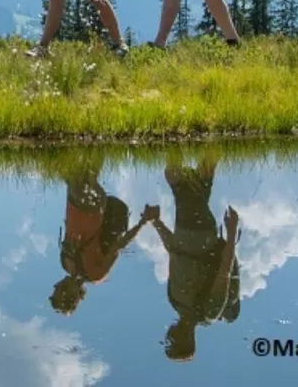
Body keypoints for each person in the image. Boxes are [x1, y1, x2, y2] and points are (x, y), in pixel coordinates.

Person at [145, 153, 242, 361]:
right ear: (187, 341)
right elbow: (225, 269)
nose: (167, 338)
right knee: (175, 177)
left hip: (182, 228)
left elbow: (175, 254)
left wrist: (156, 223)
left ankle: (210, 139)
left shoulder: (174, 301)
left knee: (200, 181)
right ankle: (179, 134)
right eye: (172, 343)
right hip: (201, 233)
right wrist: (232, 231)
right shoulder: (210, 313)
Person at [49, 163, 157, 315]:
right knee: (78, 174)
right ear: (72, 295)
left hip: (73, 205)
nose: (56, 285)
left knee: (76, 168)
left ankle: (96, 144)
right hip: (93, 209)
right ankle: (97, 144)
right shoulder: (95, 275)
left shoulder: (65, 263)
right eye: (60, 289)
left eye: (55, 288)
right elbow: (118, 245)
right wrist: (142, 223)